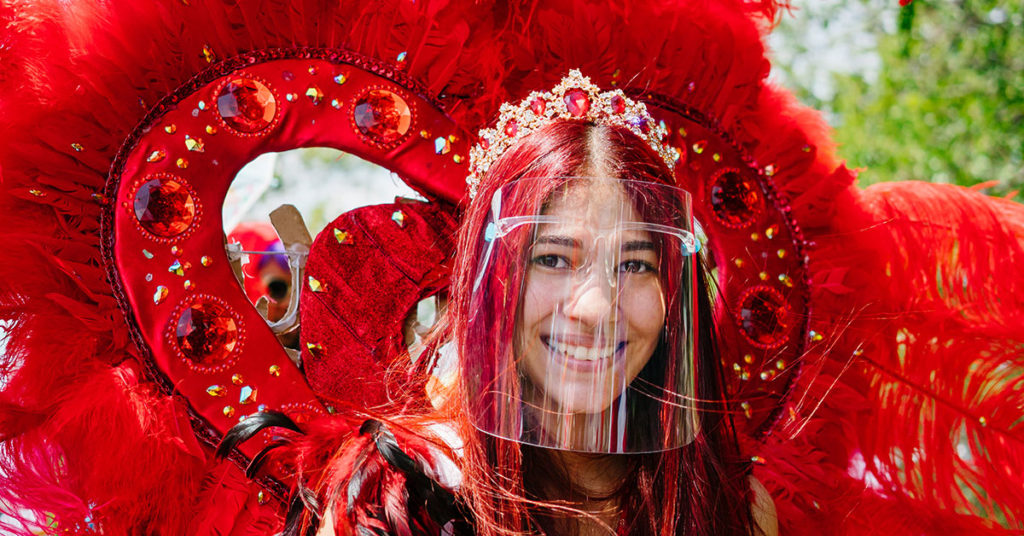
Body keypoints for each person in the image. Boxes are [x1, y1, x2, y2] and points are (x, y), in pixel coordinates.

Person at [295, 72, 778, 536]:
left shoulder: (734, 509)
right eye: (552, 259)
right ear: (490, 281)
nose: (593, 309)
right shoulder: (396, 502)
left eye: (635, 265)